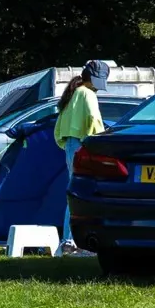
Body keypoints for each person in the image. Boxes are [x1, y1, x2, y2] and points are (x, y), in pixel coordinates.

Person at [54, 60, 109, 254]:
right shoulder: (88, 94)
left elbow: (59, 124)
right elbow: (94, 119)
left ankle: (68, 240)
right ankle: (72, 241)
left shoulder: (73, 92)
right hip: (83, 144)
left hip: (70, 144)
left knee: (73, 193)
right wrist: (101, 141)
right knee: (82, 193)